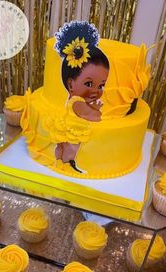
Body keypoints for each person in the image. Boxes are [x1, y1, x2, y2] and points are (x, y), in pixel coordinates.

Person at [54, 21, 109, 173]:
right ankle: (67, 163)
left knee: (63, 146)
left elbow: (88, 110)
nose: (95, 91)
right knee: (71, 149)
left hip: (67, 129)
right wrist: (96, 111)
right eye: (89, 84)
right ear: (71, 85)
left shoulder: (77, 100)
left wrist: (93, 106)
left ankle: (60, 159)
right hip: (72, 133)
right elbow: (93, 116)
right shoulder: (77, 102)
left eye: (101, 85)